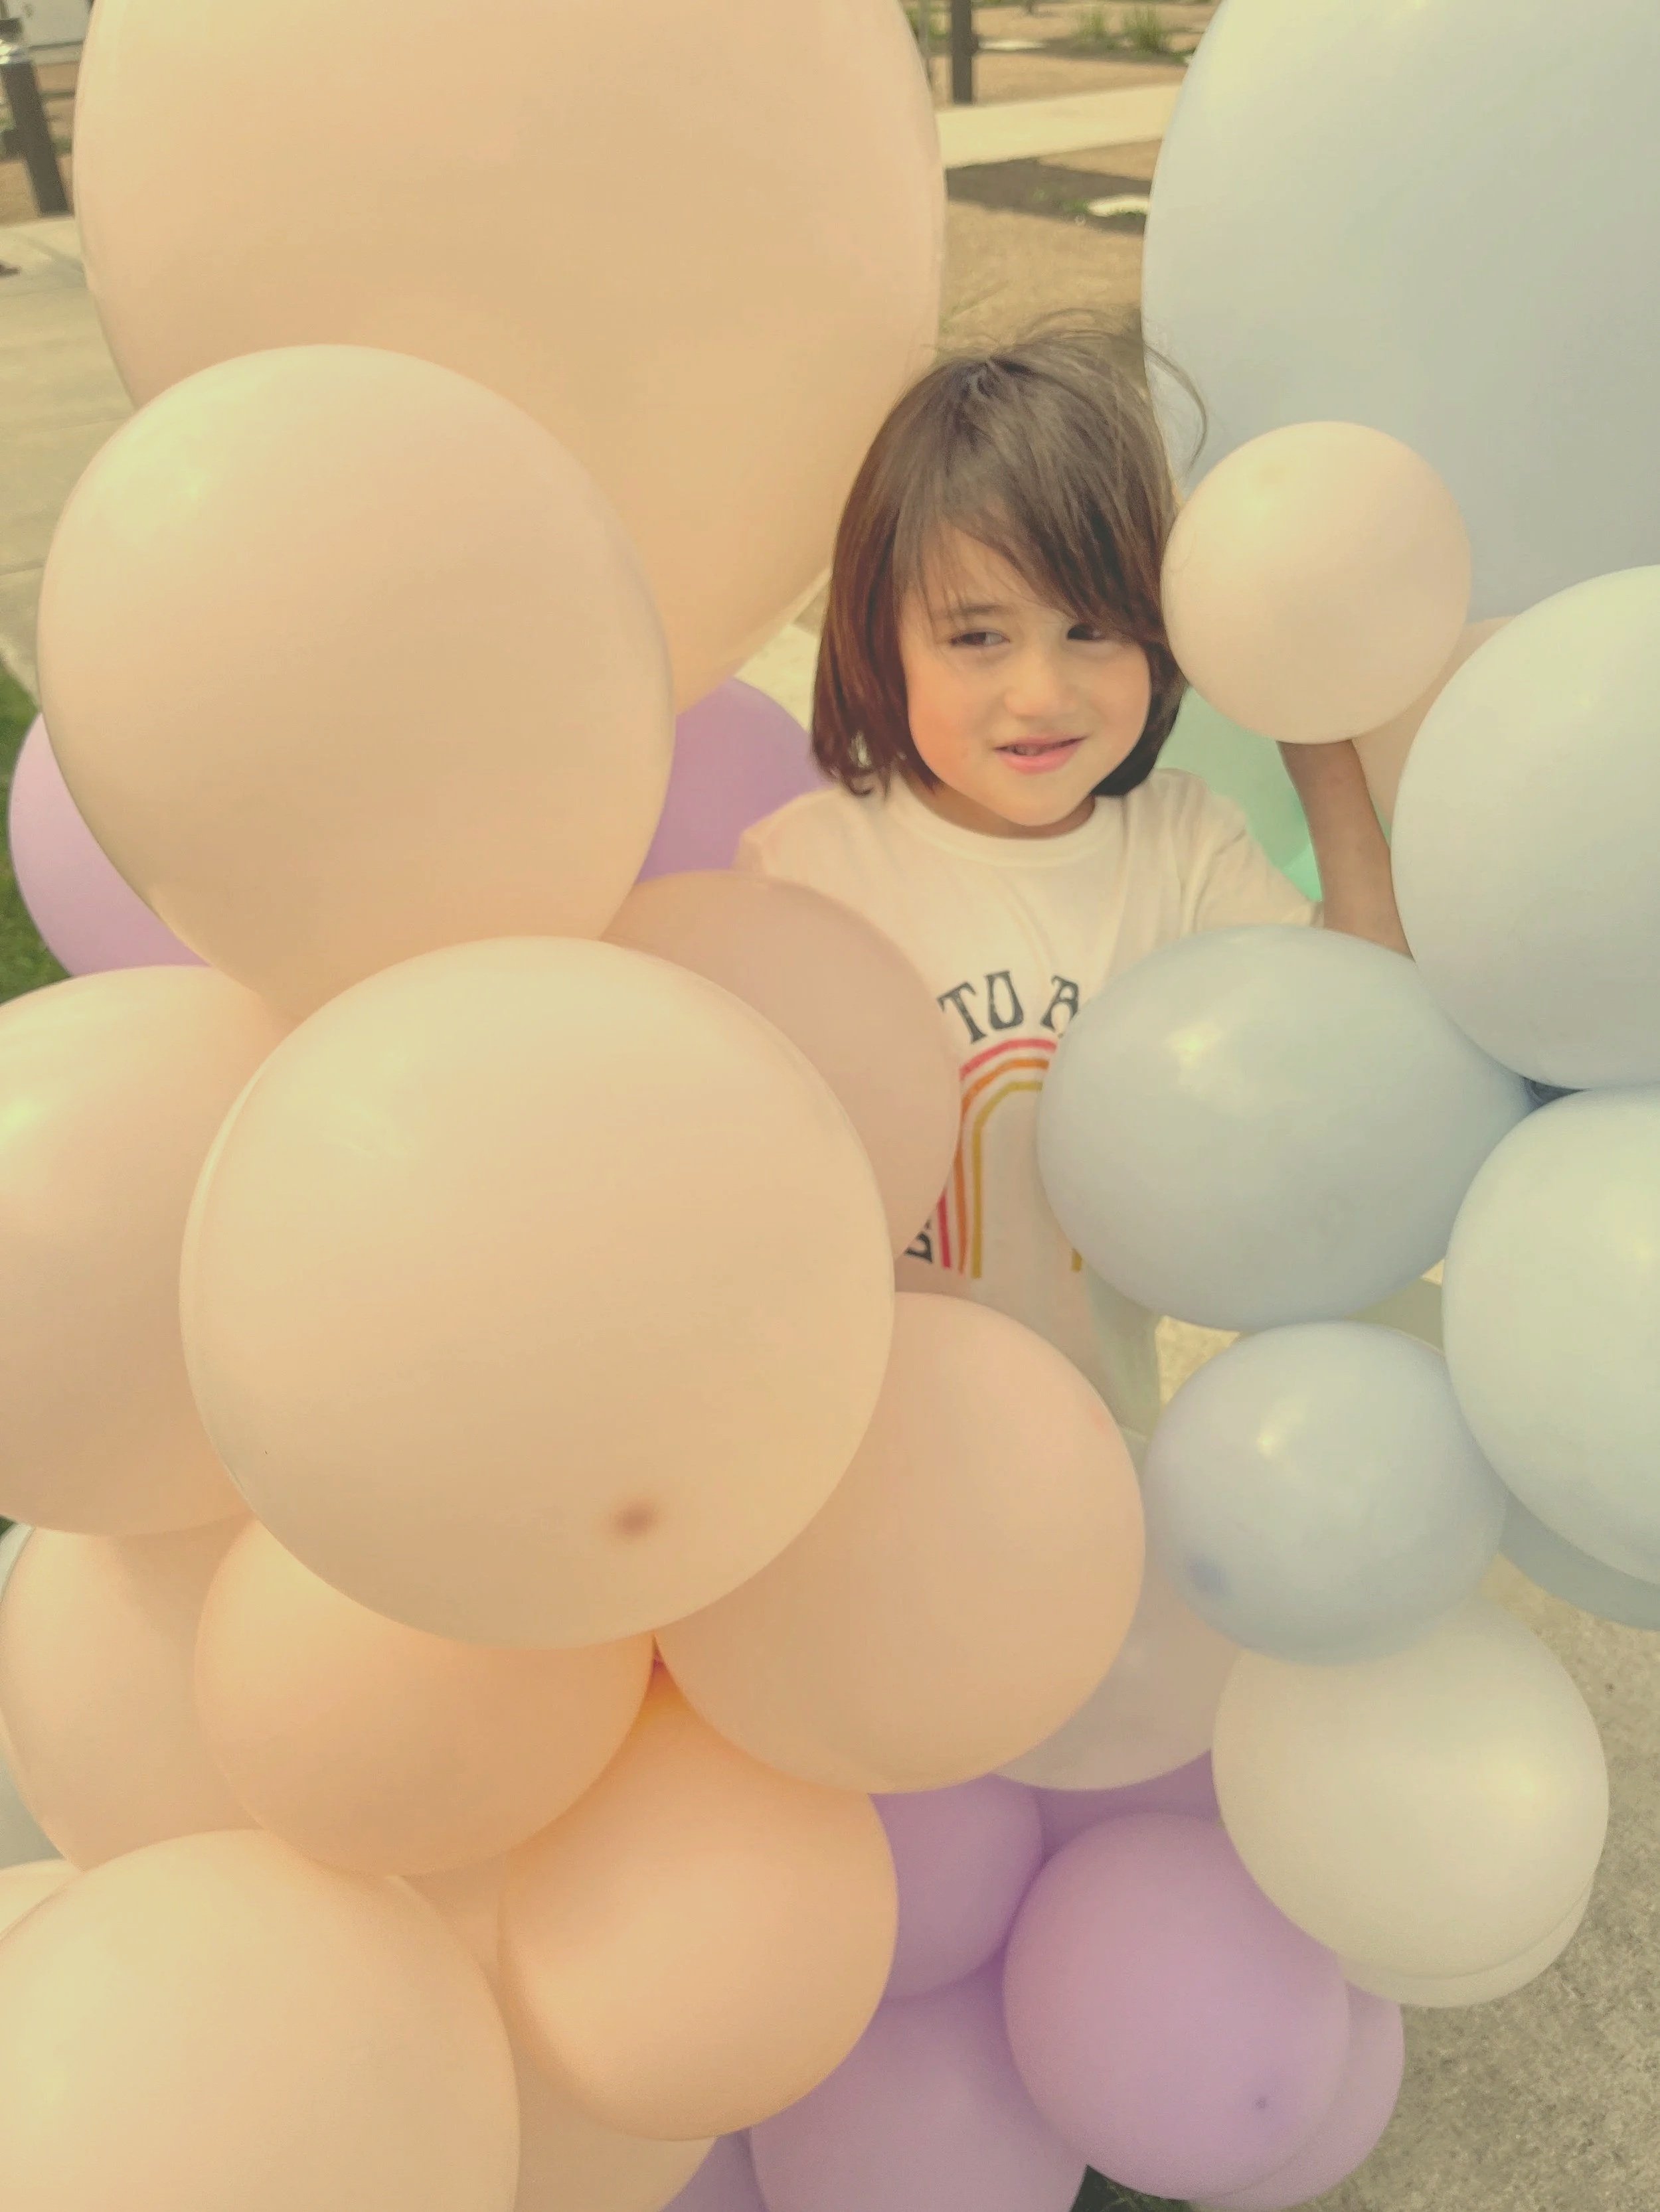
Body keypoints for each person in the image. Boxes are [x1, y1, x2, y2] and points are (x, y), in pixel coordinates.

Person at [736, 321, 1406, 1440]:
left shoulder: (1184, 850)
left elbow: (1369, 1045)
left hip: (1101, 1466)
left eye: (1092, 627)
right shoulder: (803, 873)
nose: (1042, 693)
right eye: (978, 636)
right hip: (859, 1467)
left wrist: (1317, 731)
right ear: (878, 637)